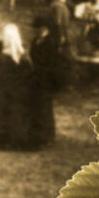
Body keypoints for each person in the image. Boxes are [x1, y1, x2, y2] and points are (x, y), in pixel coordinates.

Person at [0, 23, 32, 148]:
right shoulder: (22, 56)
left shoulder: (1, 58)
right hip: (17, 91)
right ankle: (15, 138)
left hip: (3, 90)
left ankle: (1, 137)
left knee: (1, 111)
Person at [27, 15, 58, 148]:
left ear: (44, 28)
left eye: (37, 28)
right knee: (37, 106)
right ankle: (37, 134)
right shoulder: (35, 41)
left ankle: (47, 136)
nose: (35, 30)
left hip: (46, 78)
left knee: (45, 106)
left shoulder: (50, 42)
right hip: (36, 78)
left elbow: (51, 63)